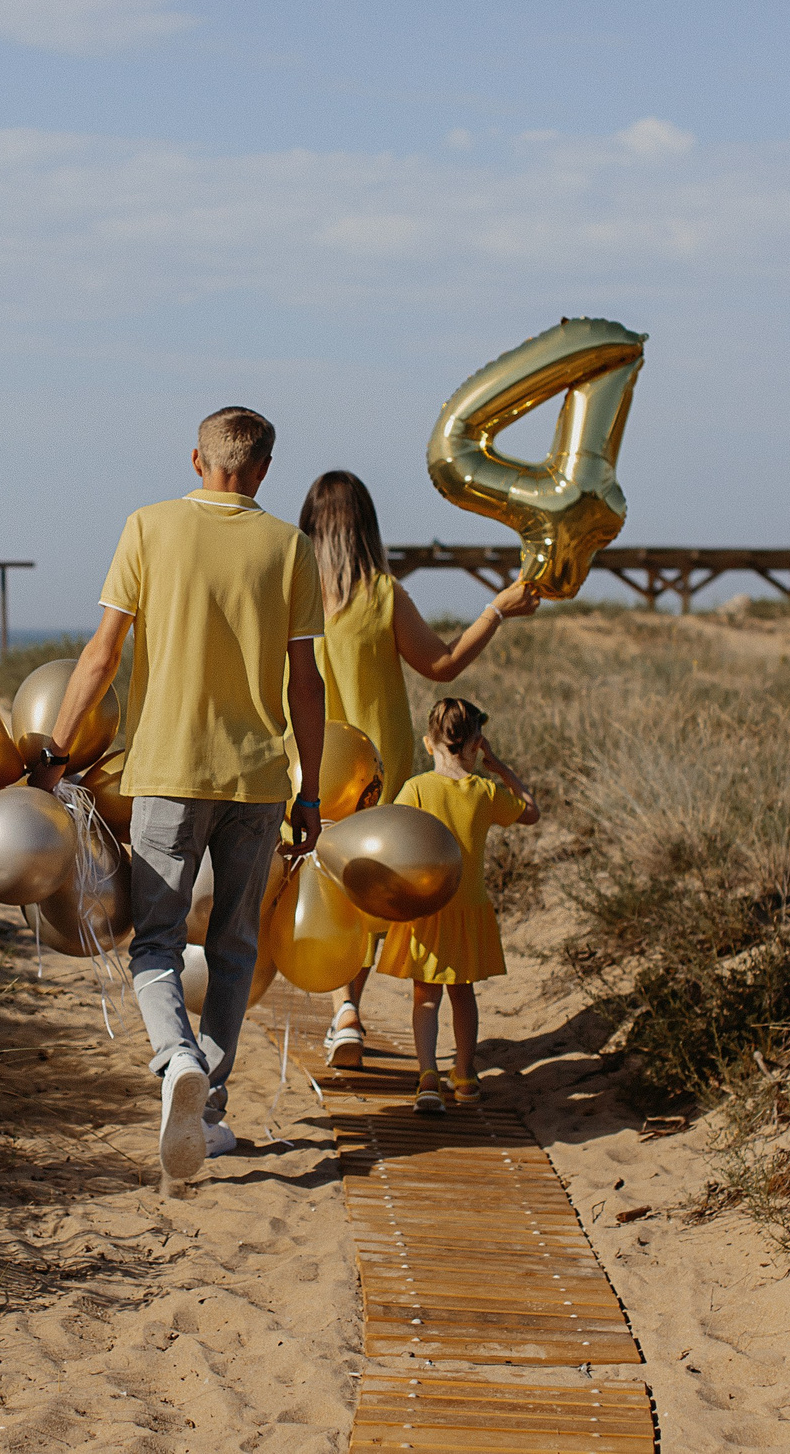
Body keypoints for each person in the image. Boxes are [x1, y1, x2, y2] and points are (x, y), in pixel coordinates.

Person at [32, 407, 327, 1188]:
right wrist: (313, 789)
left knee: (157, 940)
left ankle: (176, 1061)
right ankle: (211, 1109)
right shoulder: (289, 547)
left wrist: (56, 751)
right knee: (234, 945)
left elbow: (101, 655)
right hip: (260, 779)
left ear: (197, 458)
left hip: (166, 770)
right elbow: (307, 682)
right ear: (263, 469)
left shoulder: (149, 527)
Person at [296, 470, 538, 1069]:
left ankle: (343, 1016)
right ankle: (351, 1011)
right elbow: (443, 664)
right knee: (371, 883)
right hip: (380, 770)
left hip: (308, 763)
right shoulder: (382, 595)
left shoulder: (289, 595)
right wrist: (496, 610)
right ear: (368, 528)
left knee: (323, 883)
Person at [377, 697, 536, 1114]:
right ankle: (465, 1075)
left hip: (427, 906)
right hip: (469, 908)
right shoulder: (485, 791)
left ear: (428, 743)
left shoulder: (415, 788)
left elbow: (393, 838)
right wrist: (498, 766)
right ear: (475, 744)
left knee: (425, 996)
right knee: (462, 994)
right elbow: (532, 812)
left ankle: (428, 1075)